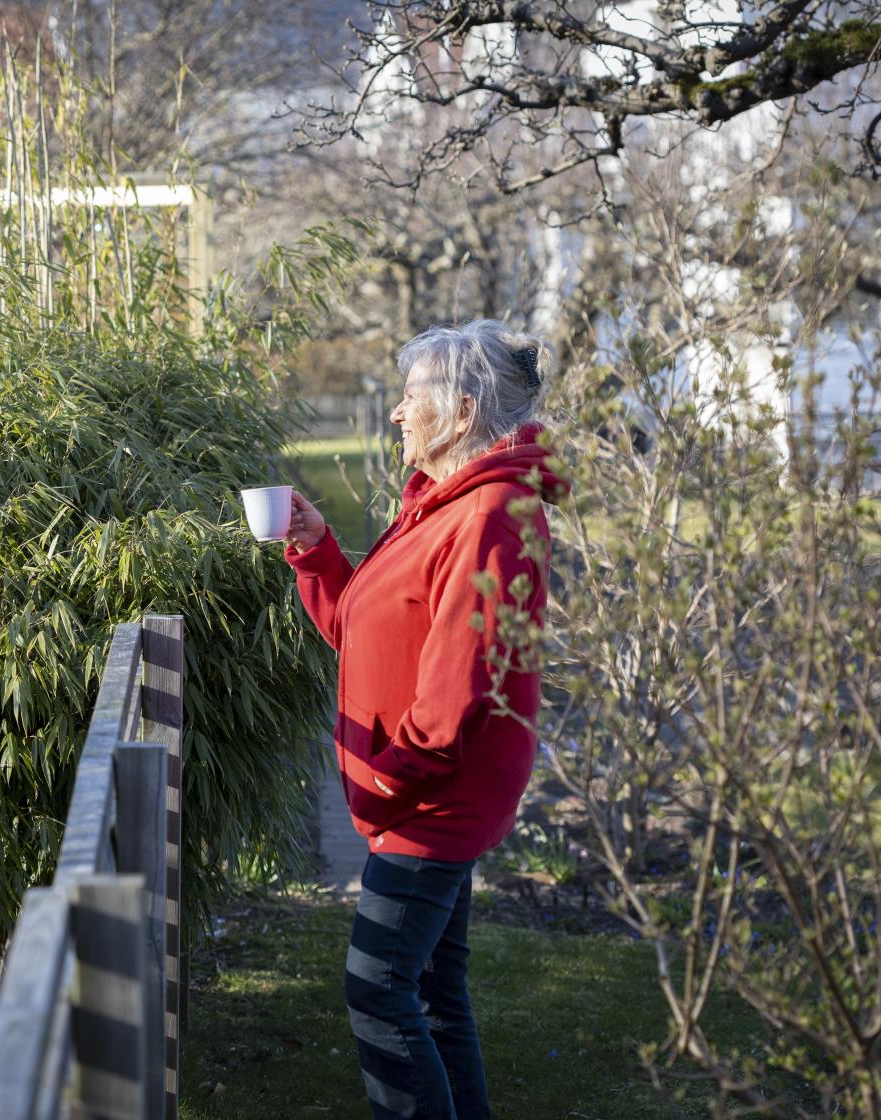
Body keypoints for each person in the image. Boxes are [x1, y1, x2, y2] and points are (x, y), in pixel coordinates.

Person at [283, 320, 567, 1119]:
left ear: (463, 409)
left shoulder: (489, 516)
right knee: (435, 995)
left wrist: (385, 774)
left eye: (412, 398)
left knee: (378, 989)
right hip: (418, 794)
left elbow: (456, 688)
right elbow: (363, 629)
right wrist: (318, 553)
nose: (399, 414)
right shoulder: (438, 507)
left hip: (433, 801)